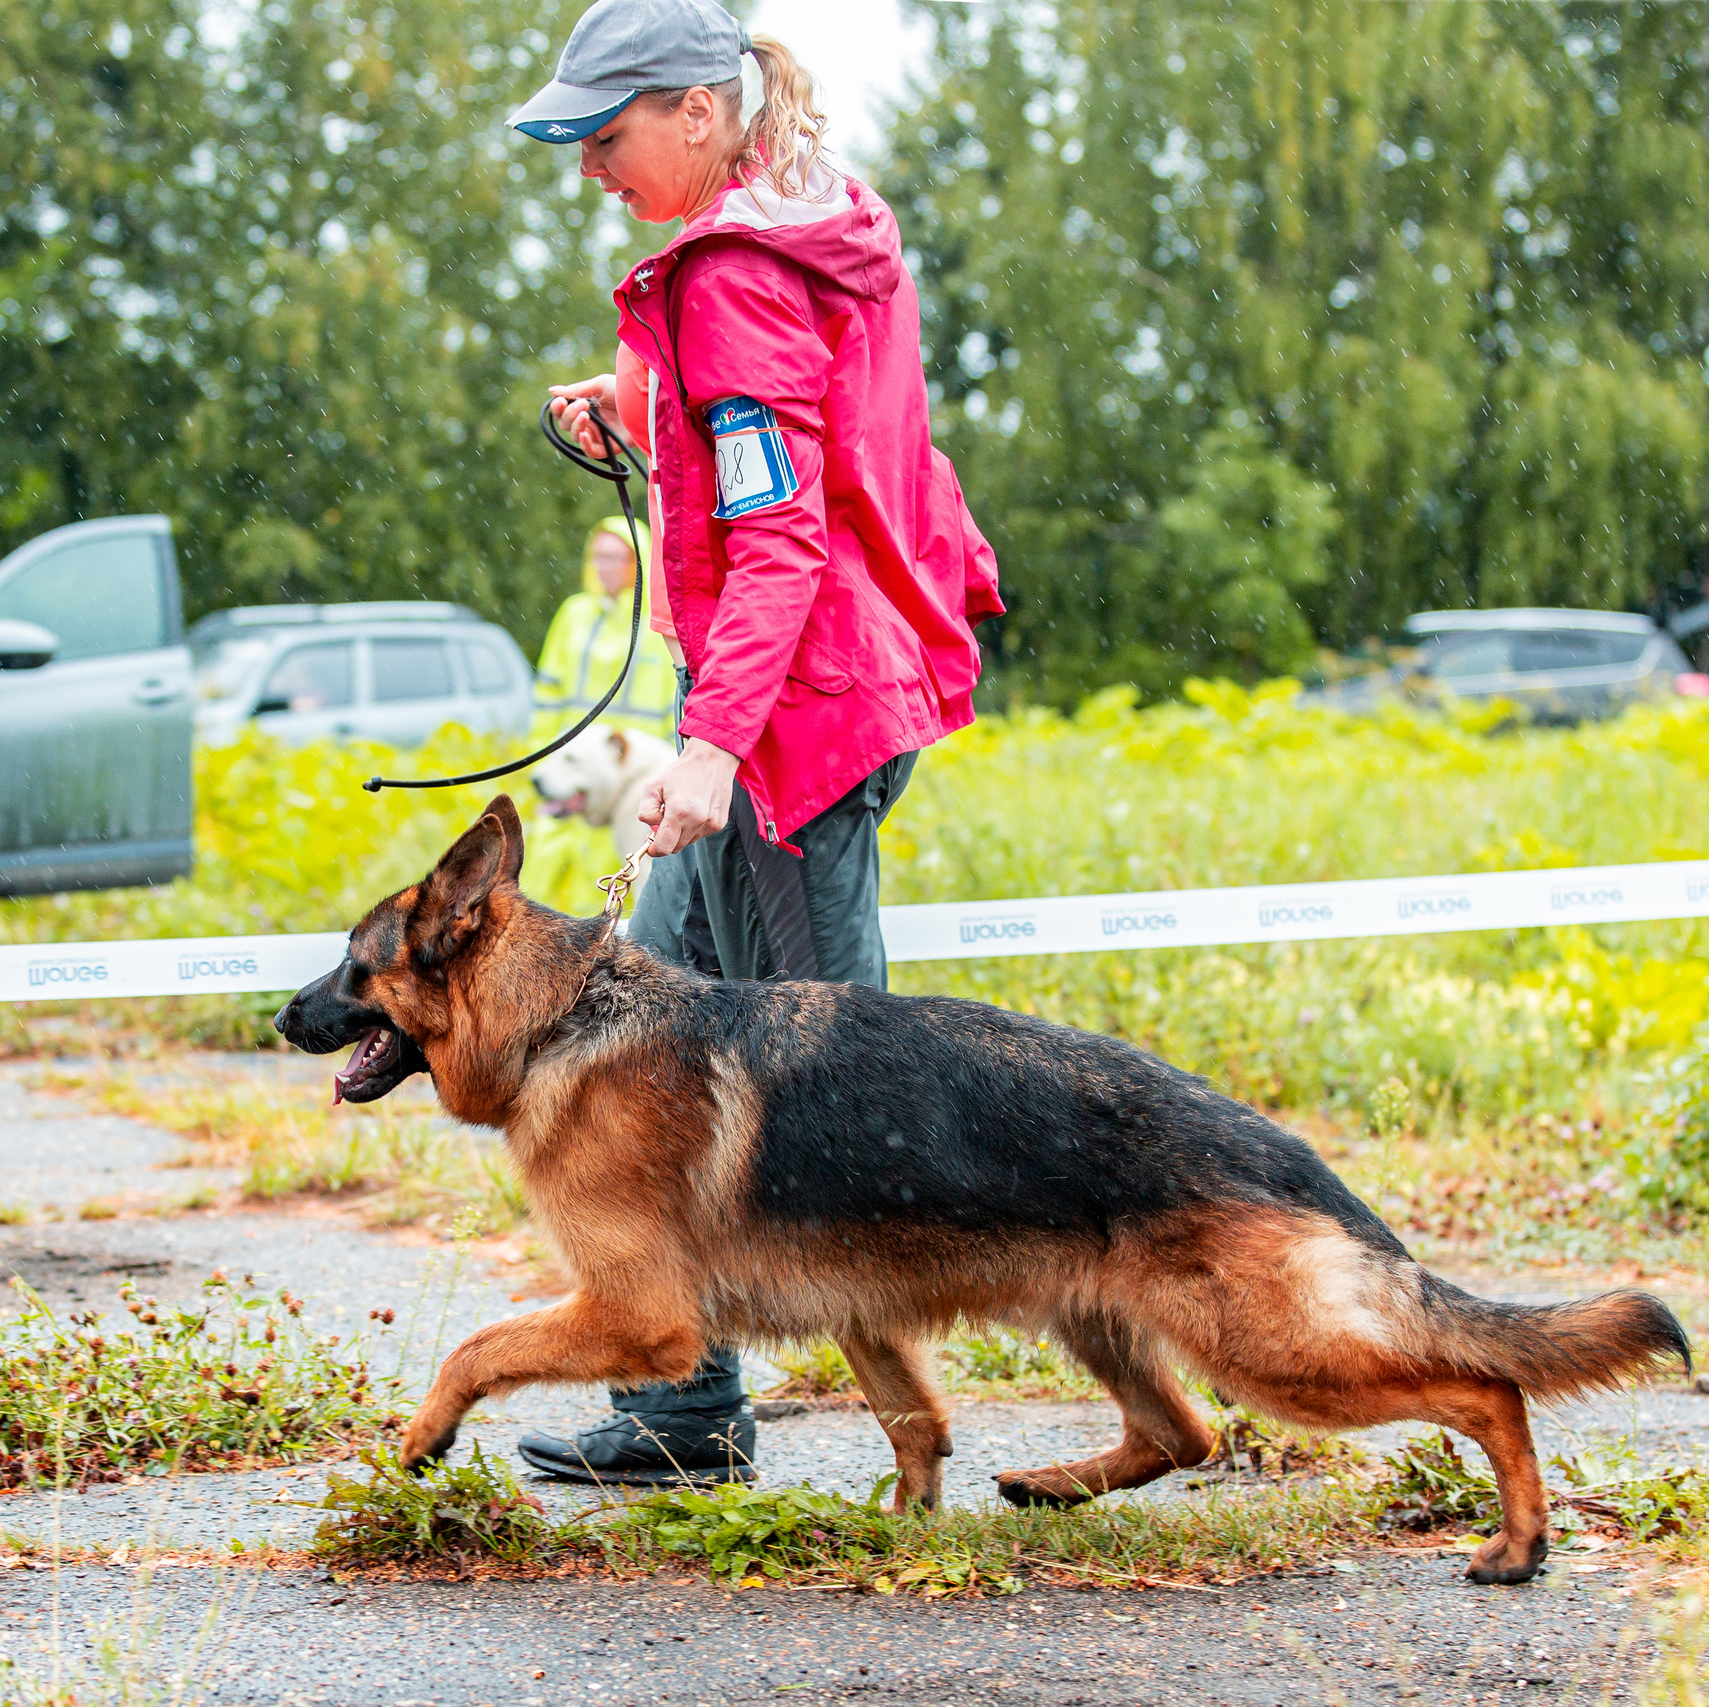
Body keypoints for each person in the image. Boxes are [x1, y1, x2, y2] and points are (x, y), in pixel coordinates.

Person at [503, 0, 1002, 1487]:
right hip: (808, 696)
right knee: (653, 1048)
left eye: (607, 134)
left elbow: (777, 535)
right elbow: (797, 443)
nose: (588, 165)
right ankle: (684, 1405)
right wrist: (636, 409)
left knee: (830, 1100)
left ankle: (1024, 1362)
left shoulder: (733, 275)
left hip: (794, 729)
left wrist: (710, 747)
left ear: (698, 116)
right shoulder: (802, 221)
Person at [531, 514, 676, 735]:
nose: (603, 567)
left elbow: (676, 698)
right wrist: (542, 755)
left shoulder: (660, 622)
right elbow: (548, 690)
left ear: (639, 561)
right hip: (577, 755)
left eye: (613, 558)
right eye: (598, 557)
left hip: (642, 759)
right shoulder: (573, 613)